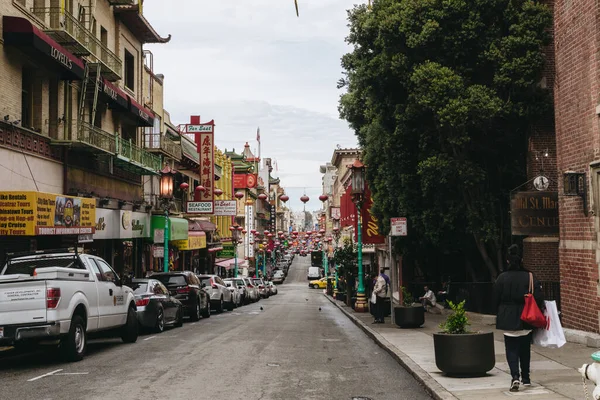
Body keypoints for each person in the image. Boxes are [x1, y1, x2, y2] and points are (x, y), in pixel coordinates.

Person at [494, 244, 544, 392]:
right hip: (526, 316)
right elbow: (539, 297)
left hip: (508, 316)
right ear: (521, 260)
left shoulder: (502, 277)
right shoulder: (529, 276)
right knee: (524, 348)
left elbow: (495, 298)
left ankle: (515, 376)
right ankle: (526, 378)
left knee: (511, 349)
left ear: (508, 261)